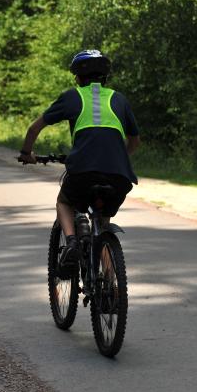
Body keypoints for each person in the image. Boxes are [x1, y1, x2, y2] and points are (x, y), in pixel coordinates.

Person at [19, 49, 140, 273]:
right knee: (103, 225)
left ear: (78, 77)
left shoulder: (72, 97)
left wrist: (27, 153)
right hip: (119, 175)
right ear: (104, 77)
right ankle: (111, 289)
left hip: (83, 172)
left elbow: (34, 128)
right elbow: (134, 141)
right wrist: (117, 158)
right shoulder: (119, 99)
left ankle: (72, 242)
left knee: (64, 201)